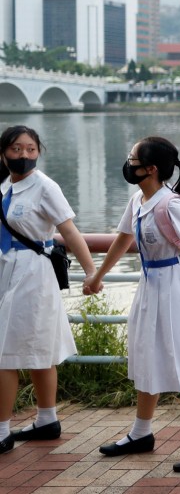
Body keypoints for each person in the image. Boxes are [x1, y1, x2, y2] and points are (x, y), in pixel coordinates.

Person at [83, 136, 180, 472]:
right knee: (146, 354)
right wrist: (98, 276)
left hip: (176, 288)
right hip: (150, 285)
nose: (128, 164)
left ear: (151, 169)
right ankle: (141, 433)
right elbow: (123, 240)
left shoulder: (170, 204)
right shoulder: (138, 201)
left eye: (133, 159)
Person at [0, 125, 97, 454]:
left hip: (33, 275)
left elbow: (69, 232)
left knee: (7, 353)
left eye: (30, 149)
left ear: (39, 152)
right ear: (3, 153)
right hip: (9, 272)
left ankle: (2, 430)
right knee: (35, 350)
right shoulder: (5, 187)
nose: (23, 155)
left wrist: (91, 271)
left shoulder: (45, 187)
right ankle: (47, 420)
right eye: (16, 149)